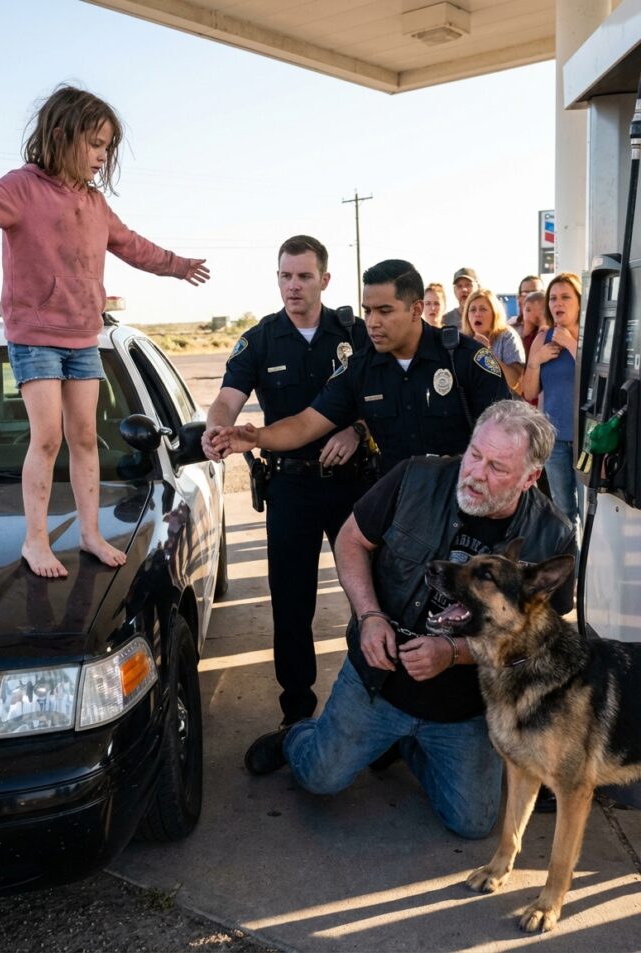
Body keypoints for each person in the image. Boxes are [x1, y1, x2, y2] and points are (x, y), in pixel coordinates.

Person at [0, 85, 209, 580]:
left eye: (107, 147)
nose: (102, 156)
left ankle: (90, 533)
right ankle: (35, 540)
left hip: (83, 337)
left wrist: (178, 265)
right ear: (60, 135)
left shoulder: (95, 204)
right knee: (49, 438)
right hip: (35, 335)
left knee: (85, 436)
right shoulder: (24, 188)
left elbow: (133, 245)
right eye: (95, 144)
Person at [243, 400, 577, 839]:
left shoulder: (552, 535)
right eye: (475, 454)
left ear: (530, 478)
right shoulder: (416, 477)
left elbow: (538, 638)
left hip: (464, 706)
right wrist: (370, 616)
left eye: (497, 467)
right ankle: (297, 736)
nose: (476, 474)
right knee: (320, 778)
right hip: (380, 680)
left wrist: (455, 652)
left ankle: (407, 745)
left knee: (473, 824)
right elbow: (350, 540)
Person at [202, 235, 369, 727]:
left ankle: (373, 704)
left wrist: (358, 430)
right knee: (292, 603)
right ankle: (296, 712)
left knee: (369, 597)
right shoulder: (260, 339)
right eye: (285, 276)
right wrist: (217, 428)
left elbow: (384, 394)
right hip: (291, 487)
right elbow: (227, 399)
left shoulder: (354, 333)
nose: (293, 286)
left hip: (353, 485)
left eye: (303, 276)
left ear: (325, 280)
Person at [211, 259, 509, 480]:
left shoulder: (465, 359)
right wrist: (256, 437)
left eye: (385, 311)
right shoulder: (360, 368)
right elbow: (305, 424)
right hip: (401, 506)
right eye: (367, 311)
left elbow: (510, 433)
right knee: (350, 540)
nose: (372, 322)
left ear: (416, 310)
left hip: (469, 498)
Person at [521, 272, 582, 531]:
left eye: (565, 297)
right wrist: (536, 361)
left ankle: (590, 557)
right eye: (553, 298)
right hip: (555, 439)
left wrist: (570, 344)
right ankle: (570, 556)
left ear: (579, 302)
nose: (558, 303)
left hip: (586, 440)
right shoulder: (542, 338)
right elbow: (529, 392)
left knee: (589, 508)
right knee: (563, 510)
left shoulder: (591, 334)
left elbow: (596, 378)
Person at [462, 288, 525, 394]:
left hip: (504, 403)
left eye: (483, 309)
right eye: (472, 310)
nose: (477, 314)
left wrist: (488, 354)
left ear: (494, 314)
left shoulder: (506, 336)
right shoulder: (463, 340)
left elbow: (515, 382)